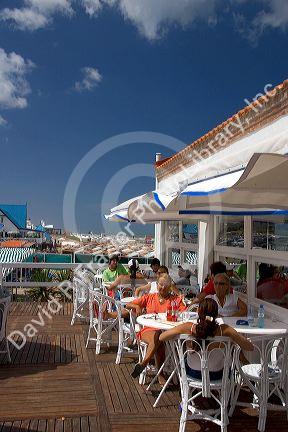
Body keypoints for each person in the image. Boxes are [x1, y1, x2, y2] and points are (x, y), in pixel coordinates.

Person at [159, 298, 253, 380]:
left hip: (193, 373)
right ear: (216, 314)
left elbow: (162, 337)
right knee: (229, 351)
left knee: (184, 357)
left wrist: (182, 337)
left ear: (198, 312)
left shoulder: (188, 327)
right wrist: (233, 340)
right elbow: (249, 347)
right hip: (217, 375)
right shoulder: (224, 329)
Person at [126, 274, 186, 384]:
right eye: (160, 284)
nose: (163, 287)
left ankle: (144, 363)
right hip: (148, 330)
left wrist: (180, 305)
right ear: (157, 284)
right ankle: (160, 373)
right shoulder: (150, 297)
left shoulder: (175, 300)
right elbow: (128, 305)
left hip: (167, 332)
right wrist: (137, 306)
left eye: (166, 285)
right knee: (159, 336)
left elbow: (185, 312)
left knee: (160, 336)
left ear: (170, 286)